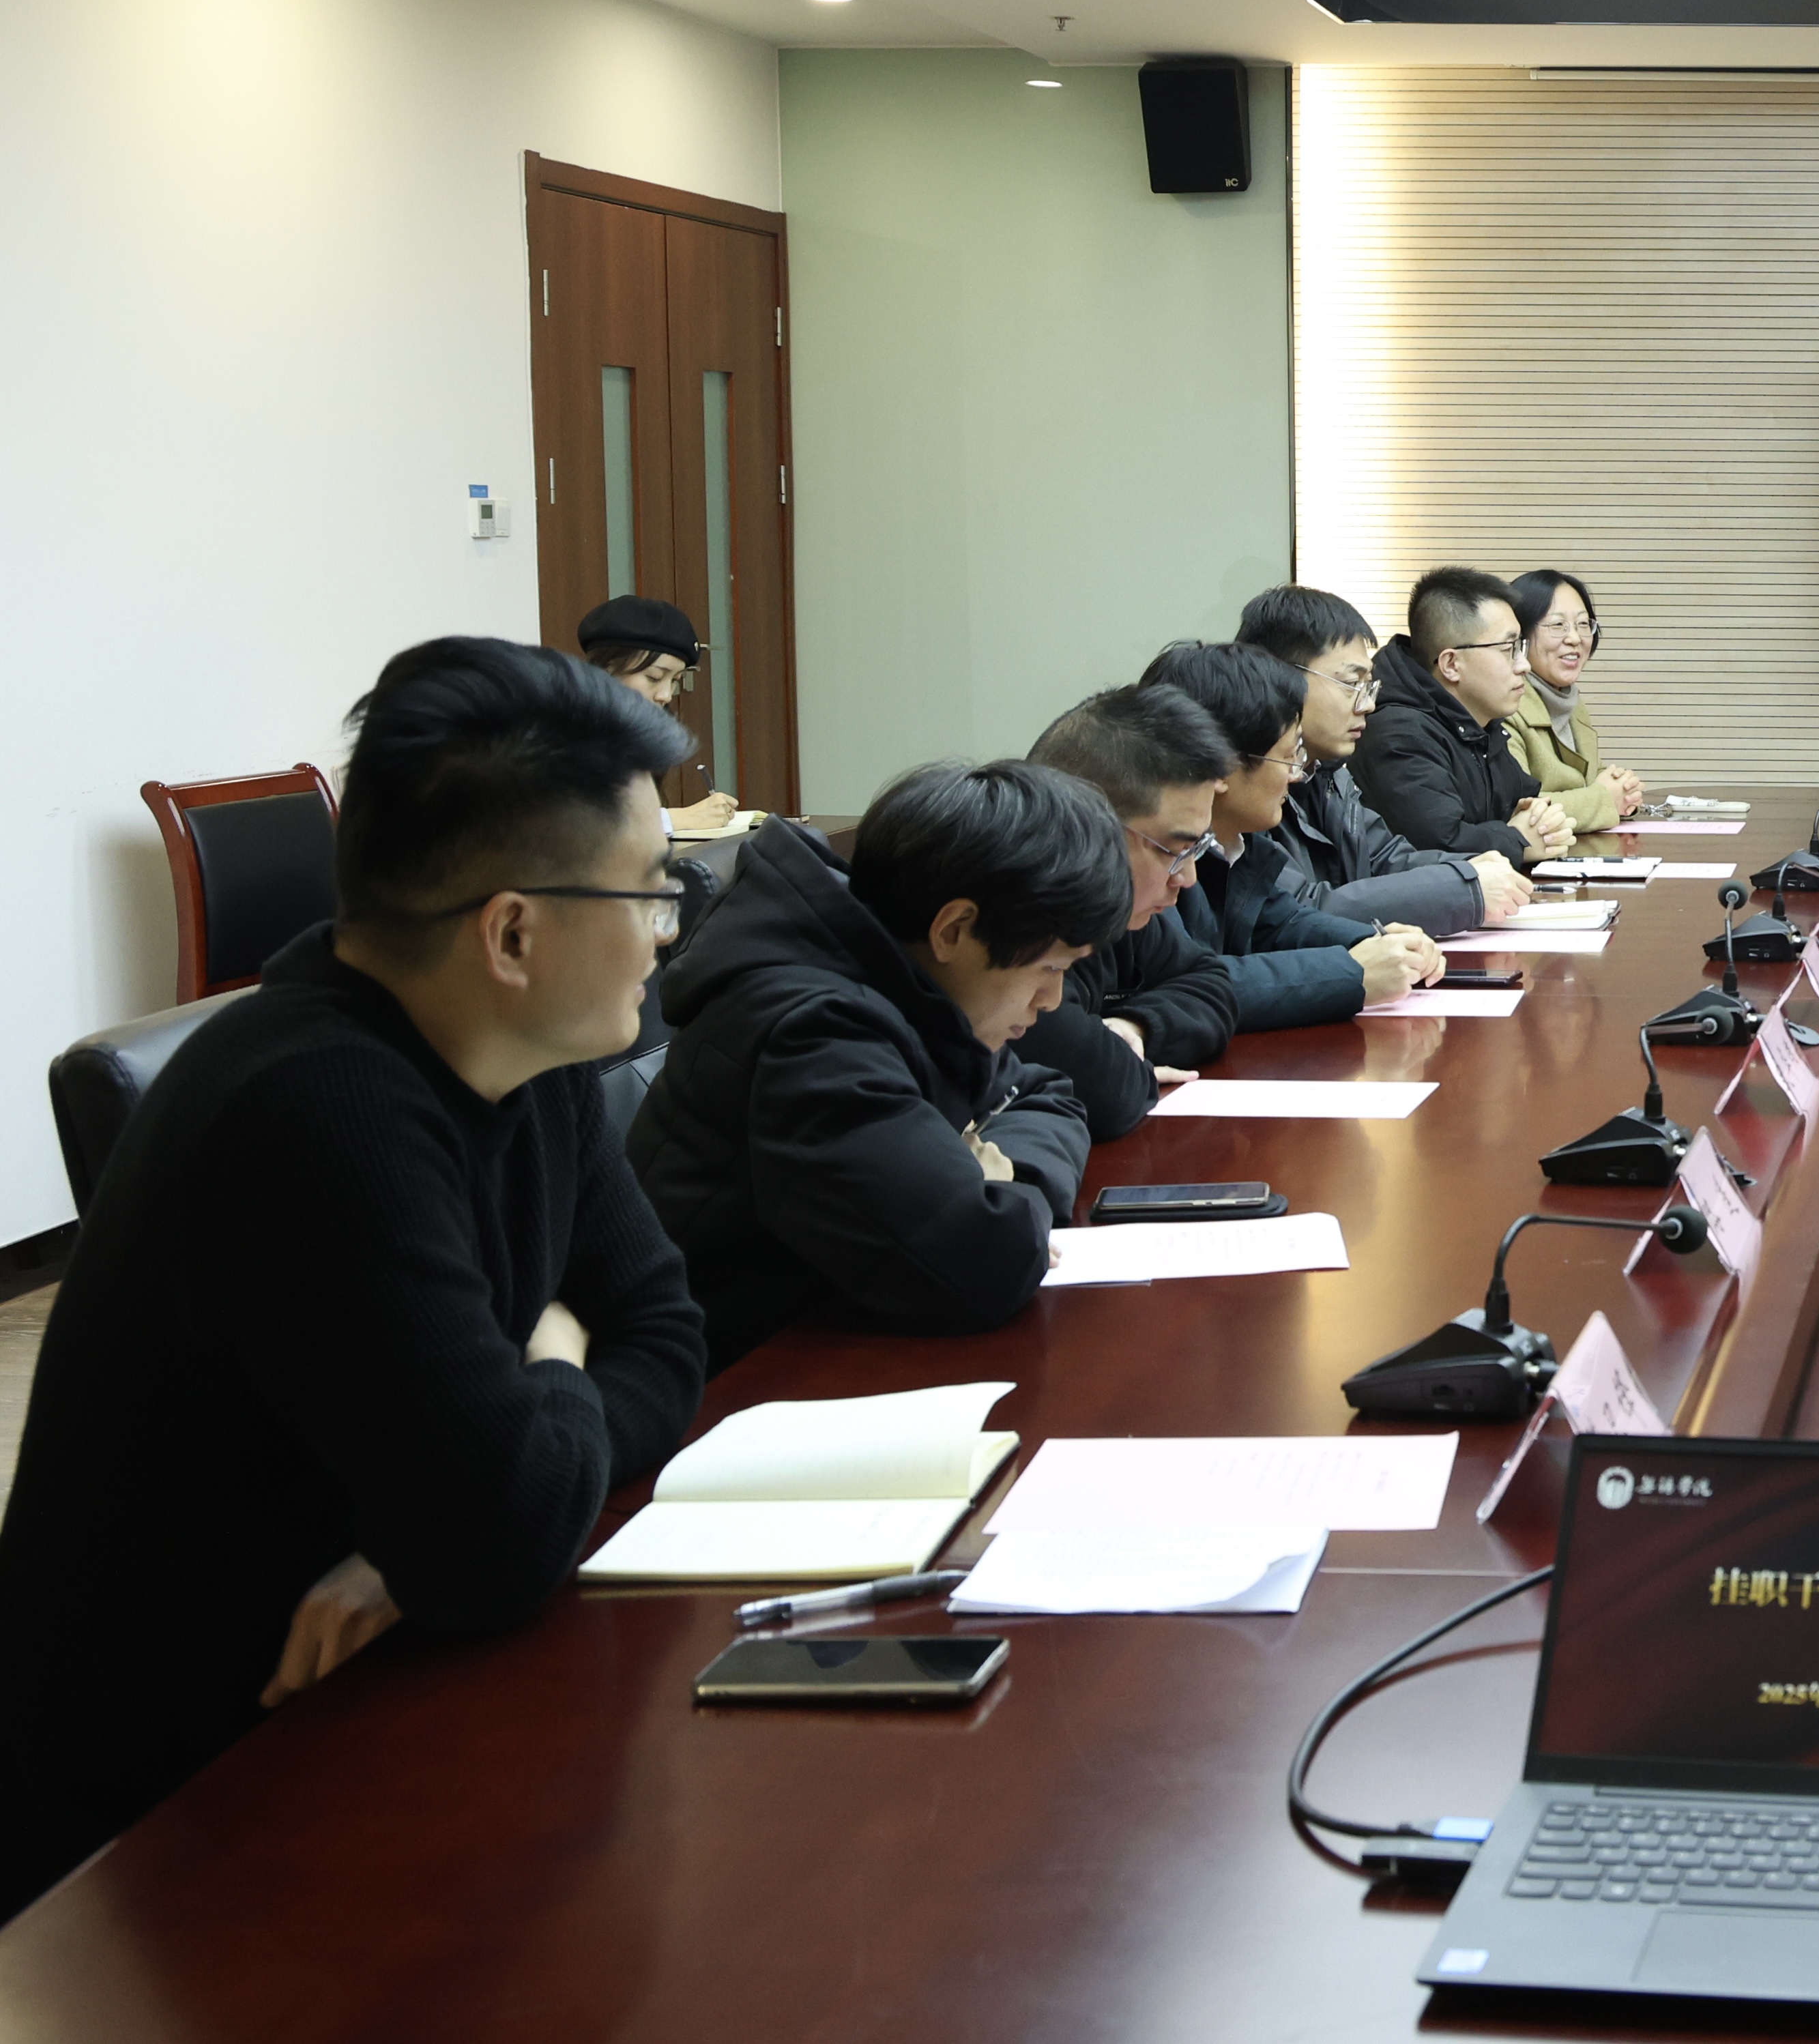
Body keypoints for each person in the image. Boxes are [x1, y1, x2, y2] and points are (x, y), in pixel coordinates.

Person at [0, 639, 708, 1916]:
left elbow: (664, 1332)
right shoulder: (316, 1110)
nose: (668, 932)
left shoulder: (526, 1054)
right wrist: (551, 1364)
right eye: (652, 892)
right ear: (513, 930)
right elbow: (502, 1529)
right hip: (173, 1830)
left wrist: (435, 1528)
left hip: (378, 1694)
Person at [629, 761, 1118, 1369]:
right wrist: (996, 1195)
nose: (1051, 1001)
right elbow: (984, 1266)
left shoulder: (905, 984)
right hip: (730, 1383)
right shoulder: (814, 1032)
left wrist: (1009, 1178)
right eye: (1050, 968)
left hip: (836, 1344)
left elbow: (1049, 1094)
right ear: (954, 930)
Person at [1140, 641, 1445, 1029]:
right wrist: (1351, 972)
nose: (1297, 774)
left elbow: (1282, 923)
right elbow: (1186, 984)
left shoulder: (1239, 843)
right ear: (1222, 765)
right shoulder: (1147, 858)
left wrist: (1373, 943)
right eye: (1289, 755)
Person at [1016, 684, 1243, 1137]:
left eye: (1197, 849)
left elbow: (1212, 984)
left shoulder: (1126, 914)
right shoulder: (1013, 922)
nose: (1188, 878)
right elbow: (1105, 1091)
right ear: (1089, 825)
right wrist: (1120, 1065)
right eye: (1173, 850)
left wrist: (1132, 1027)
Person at [1235, 584, 1524, 937]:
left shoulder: (1326, 772)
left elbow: (1385, 858)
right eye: (1351, 684)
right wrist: (1463, 887)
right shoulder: (1245, 780)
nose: (1367, 705)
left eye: (1368, 686)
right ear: (1280, 679)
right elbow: (1297, 911)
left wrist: (1474, 866)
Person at [1354, 566, 1580, 868]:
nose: (1524, 665)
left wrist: (1538, 820)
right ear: (1451, 664)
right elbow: (1439, 844)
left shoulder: (1479, 722)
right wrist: (1516, 840)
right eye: (1509, 649)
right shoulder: (1399, 733)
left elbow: (1527, 801)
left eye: (1521, 647)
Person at [574, 595, 736, 832]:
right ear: (606, 671)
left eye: (675, 680)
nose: (666, 695)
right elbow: (574, 827)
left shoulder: (636, 737)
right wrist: (677, 819)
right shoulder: (558, 733)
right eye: (654, 677)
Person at [1502, 568, 1645, 836]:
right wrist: (1606, 799)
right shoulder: (1505, 708)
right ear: (1520, 635)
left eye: (1583, 624)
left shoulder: (1570, 702)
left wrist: (1624, 791)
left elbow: (1590, 778)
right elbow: (1518, 811)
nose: (1575, 638)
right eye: (1558, 626)